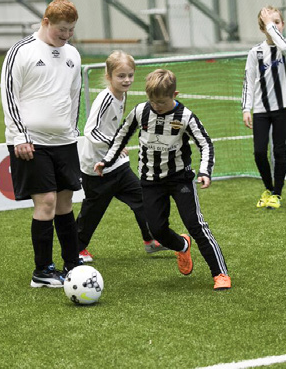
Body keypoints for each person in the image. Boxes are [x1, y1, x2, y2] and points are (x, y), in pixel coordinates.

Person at [94, 69, 231, 291]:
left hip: (180, 180)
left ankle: (220, 273)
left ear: (174, 94)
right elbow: (122, 135)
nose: (156, 106)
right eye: (152, 100)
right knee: (157, 230)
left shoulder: (185, 116)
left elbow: (205, 143)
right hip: (150, 180)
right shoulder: (141, 111)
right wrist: (106, 161)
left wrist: (205, 171)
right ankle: (182, 245)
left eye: (162, 101)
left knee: (195, 224)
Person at [1, 0, 82, 288]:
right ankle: (42, 271)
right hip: (31, 142)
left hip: (64, 141)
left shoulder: (73, 54)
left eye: (71, 30)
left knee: (64, 202)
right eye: (62, 29)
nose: (66, 35)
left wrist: (72, 131)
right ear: (46, 21)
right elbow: (10, 95)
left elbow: (75, 97)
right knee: (46, 201)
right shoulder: (22, 51)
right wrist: (19, 136)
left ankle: (72, 263)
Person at [76, 50, 168, 262]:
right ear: (108, 76)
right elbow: (90, 131)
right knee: (92, 212)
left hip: (117, 165)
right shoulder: (105, 99)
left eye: (130, 75)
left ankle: (150, 240)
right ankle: (77, 248)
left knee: (143, 198)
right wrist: (114, 145)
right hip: (96, 167)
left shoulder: (122, 95)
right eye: (121, 76)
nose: (126, 80)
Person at [242, 5, 286, 209]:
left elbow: (282, 45)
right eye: (269, 23)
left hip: (282, 109)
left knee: (280, 151)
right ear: (262, 29)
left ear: (283, 25)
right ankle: (269, 188)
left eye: (278, 22)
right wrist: (246, 108)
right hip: (261, 111)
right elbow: (249, 81)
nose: (275, 26)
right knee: (259, 152)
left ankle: (278, 194)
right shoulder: (255, 52)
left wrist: (269, 24)